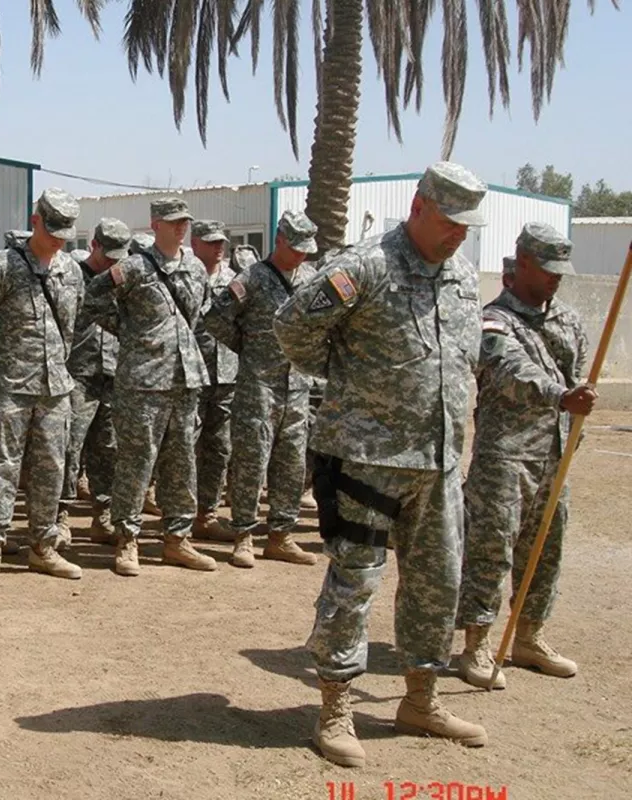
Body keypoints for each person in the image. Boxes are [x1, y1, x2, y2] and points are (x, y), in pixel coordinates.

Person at [274, 162, 490, 767]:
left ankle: (420, 698)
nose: (459, 235)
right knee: (354, 582)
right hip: (367, 459)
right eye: (450, 222)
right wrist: (348, 382)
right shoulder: (364, 265)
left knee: (436, 583)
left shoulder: (463, 277)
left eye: (467, 225)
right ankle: (335, 708)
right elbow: (292, 325)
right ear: (419, 207)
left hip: (439, 462)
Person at [456, 225, 592, 688]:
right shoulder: (494, 320)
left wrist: (575, 408)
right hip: (506, 457)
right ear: (524, 263)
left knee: (546, 549)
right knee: (491, 550)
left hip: (555, 454)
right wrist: (562, 395)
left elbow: (578, 374)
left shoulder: (567, 321)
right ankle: (475, 644)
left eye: (561, 271)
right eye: (549, 269)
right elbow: (508, 369)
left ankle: (529, 636)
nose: (556, 279)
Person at [82, 197, 216, 577]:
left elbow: (199, 314)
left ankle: (177, 539)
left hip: (185, 377)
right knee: (137, 461)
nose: (181, 228)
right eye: (173, 222)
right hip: (142, 380)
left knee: (181, 463)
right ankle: (128, 539)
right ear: (155, 224)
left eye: (185, 221)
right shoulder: (134, 267)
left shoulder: (194, 267)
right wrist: (127, 330)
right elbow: (92, 297)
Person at [0, 189, 85, 583]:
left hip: (54, 390)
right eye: (53, 230)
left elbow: (71, 327)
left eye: (65, 232)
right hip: (7, 387)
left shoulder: (72, 271)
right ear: (36, 221)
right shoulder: (3, 268)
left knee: (51, 468)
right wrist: (1, 363)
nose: (59, 239)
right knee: (2, 468)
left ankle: (43, 547)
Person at [204, 211, 320, 568]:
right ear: (280, 240)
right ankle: (243, 535)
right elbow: (216, 318)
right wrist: (249, 348)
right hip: (259, 386)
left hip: (297, 386)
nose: (301, 255)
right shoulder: (252, 278)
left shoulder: (312, 279)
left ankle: (280, 536)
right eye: (296, 247)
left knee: (291, 462)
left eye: (307, 249)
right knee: (251, 460)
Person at [60, 218, 129, 545]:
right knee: (69, 446)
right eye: (108, 253)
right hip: (78, 373)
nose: (114, 261)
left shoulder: (123, 279)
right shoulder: (73, 277)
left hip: (113, 373)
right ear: (93, 246)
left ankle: (103, 515)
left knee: (109, 447)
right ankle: (59, 516)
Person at [188, 220, 240, 543]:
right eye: (211, 241)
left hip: (226, 374)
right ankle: (180, 512)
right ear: (195, 243)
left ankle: (207, 513)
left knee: (219, 448)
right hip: (193, 374)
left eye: (221, 241)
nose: (219, 246)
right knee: (186, 446)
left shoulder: (235, 280)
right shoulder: (184, 276)